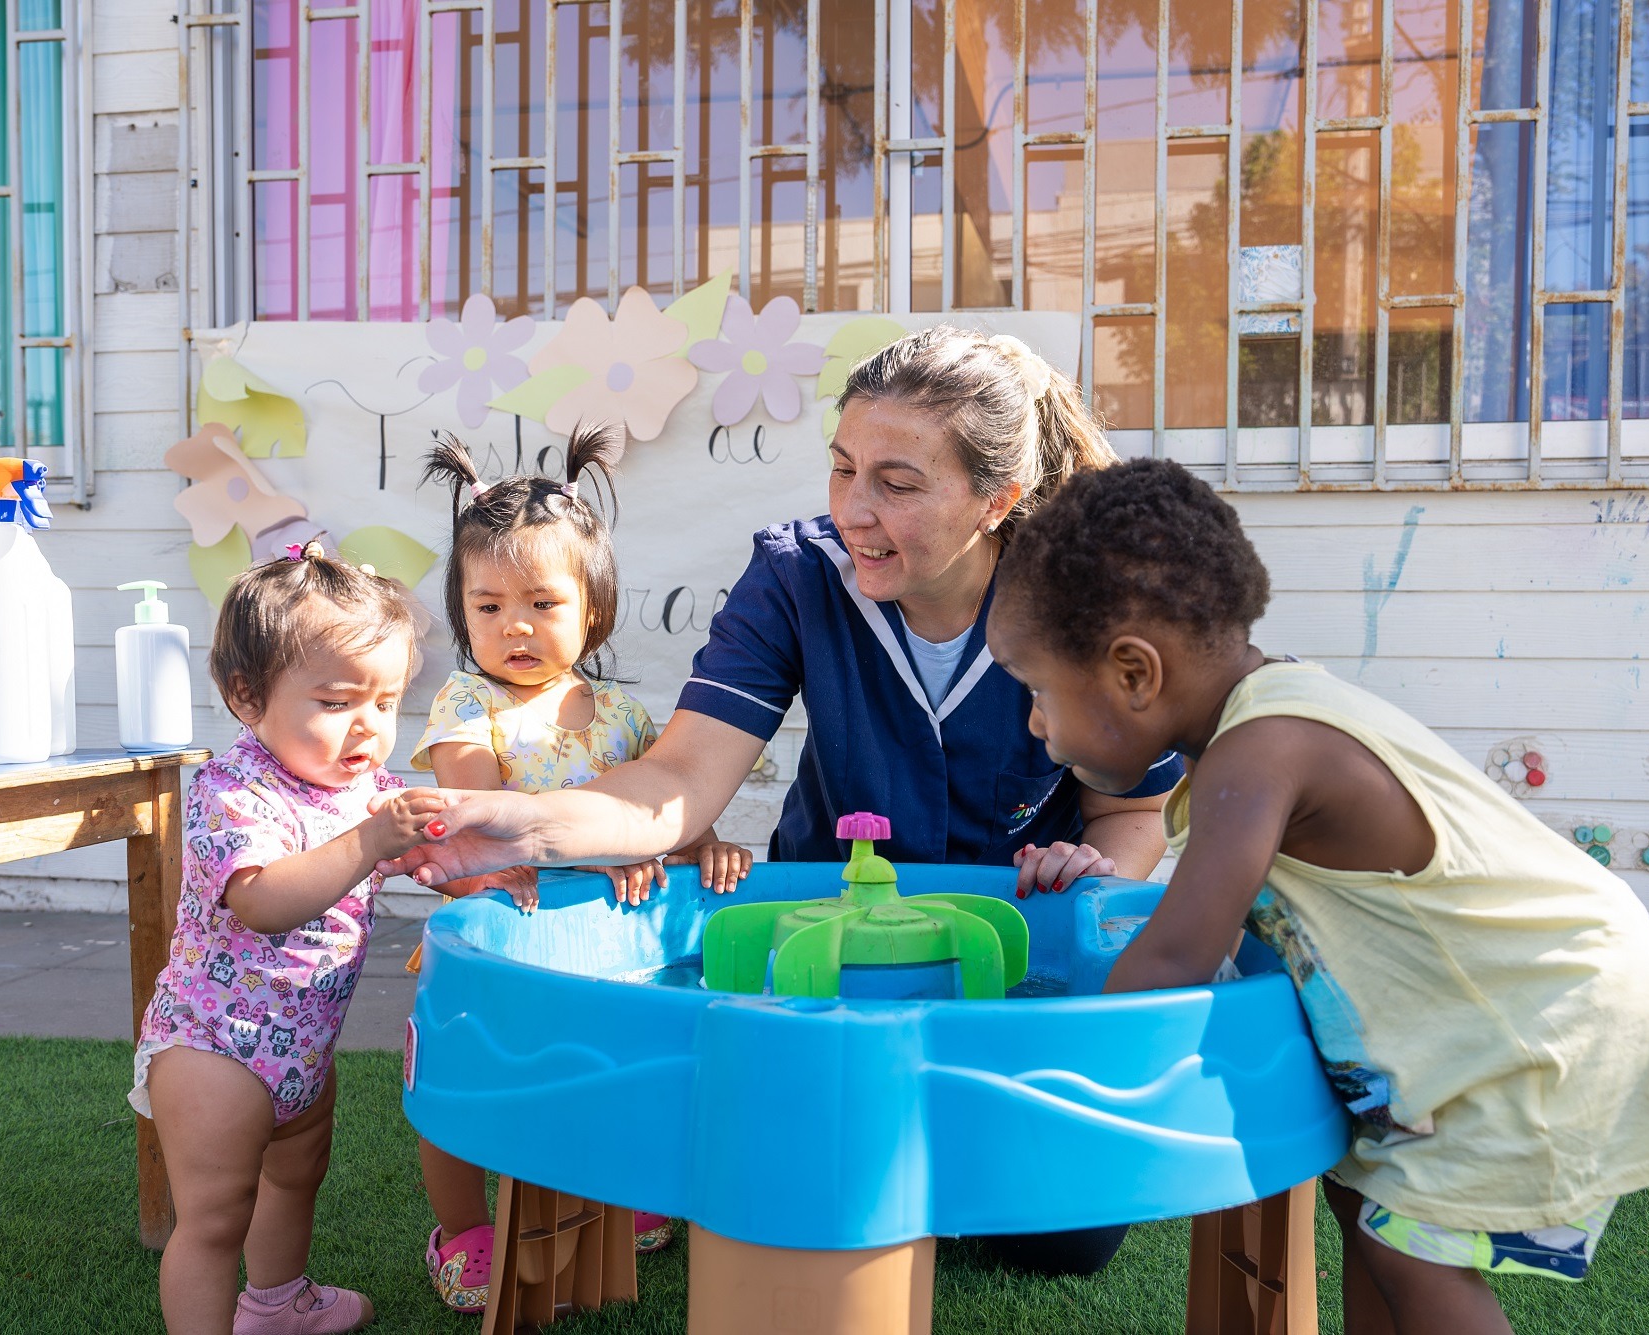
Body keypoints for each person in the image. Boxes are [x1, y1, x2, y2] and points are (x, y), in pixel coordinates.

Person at [383, 326, 1187, 1277]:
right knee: (802, 1186)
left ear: (997, 499)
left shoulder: (1085, 602)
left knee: (1058, 1240)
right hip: (825, 946)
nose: (854, 508)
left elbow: (1131, 813)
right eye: (843, 468)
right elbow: (677, 784)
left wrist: (1094, 872)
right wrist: (513, 824)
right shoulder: (793, 578)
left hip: (1009, 950)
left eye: (897, 482)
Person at [984, 458, 1649, 1334]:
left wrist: (1053, 1073)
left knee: (1411, 1248)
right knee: (1369, 1213)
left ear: (1135, 674)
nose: (1035, 722)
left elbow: (1180, 953)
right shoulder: (1246, 730)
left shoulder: (1260, 750)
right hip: (1506, 1011)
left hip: (1539, 1017)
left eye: (1038, 693)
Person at [410, 425, 755, 1314]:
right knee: (465, 1074)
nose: (512, 625)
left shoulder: (629, 720)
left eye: (539, 602)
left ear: (592, 609)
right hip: (500, 927)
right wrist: (498, 866)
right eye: (486, 606)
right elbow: (476, 812)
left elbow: (664, 811)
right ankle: (462, 1228)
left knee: (606, 1063)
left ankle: (615, 1185)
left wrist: (695, 844)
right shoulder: (466, 702)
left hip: (600, 939)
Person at [130, 543, 443, 1335]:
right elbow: (263, 900)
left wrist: (475, 869)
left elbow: (429, 849)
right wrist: (371, 844)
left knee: (296, 1174)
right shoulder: (233, 791)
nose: (368, 726)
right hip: (215, 1047)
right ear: (247, 696)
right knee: (214, 1217)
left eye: (386, 700)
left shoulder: (368, 791)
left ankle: (275, 1304)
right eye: (337, 701)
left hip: (303, 1045)